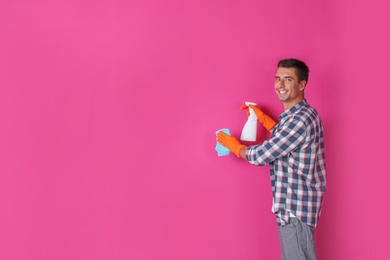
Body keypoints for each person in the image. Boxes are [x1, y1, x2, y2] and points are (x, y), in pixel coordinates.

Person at [217, 58, 326, 260]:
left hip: (295, 211)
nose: (280, 85)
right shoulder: (300, 115)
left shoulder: (300, 120)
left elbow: (261, 155)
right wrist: (266, 121)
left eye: (287, 79)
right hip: (294, 211)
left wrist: (235, 146)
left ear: (302, 84)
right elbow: (288, 141)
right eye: (278, 79)